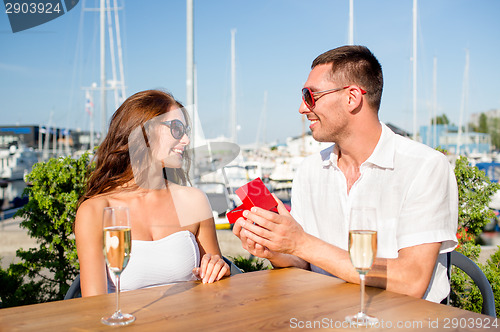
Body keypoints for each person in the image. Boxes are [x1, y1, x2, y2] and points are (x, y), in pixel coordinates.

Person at [233, 45, 458, 303]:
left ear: (352, 97)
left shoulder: (425, 166)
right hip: (327, 315)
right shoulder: (309, 170)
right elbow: (304, 263)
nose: (302, 108)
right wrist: (275, 248)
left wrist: (300, 243)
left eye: (310, 95)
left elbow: (411, 280)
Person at [75, 89, 229, 297]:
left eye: (186, 131)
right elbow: (94, 307)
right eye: (176, 128)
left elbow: (216, 286)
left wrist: (219, 268)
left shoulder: (194, 201)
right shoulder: (96, 211)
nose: (186, 140)